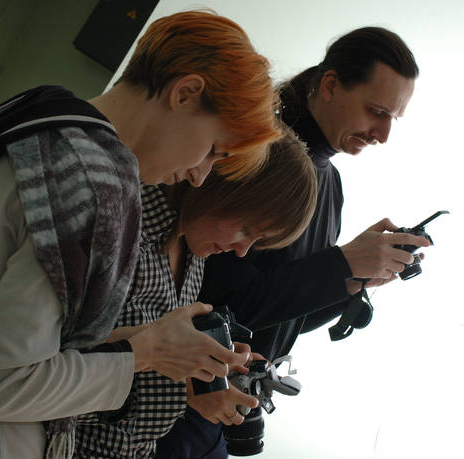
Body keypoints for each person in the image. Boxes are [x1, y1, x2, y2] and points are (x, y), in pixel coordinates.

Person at [0, 10, 281, 459]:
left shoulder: (41, 131)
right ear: (185, 93)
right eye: (213, 150)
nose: (200, 175)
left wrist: (152, 342)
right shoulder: (93, 182)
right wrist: (146, 352)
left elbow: (1, 337)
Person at [157, 26, 432, 458]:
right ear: (330, 85)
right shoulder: (258, 151)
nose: (383, 134)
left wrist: (350, 283)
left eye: (391, 119)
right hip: (177, 391)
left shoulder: (331, 184)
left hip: (227, 401)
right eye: (376, 111)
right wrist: (341, 264)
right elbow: (215, 301)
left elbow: (287, 322)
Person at [73, 128, 318, 458]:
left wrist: (205, 368)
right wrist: (182, 383)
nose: (242, 251)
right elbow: (41, 376)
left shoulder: (192, 253)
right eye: (247, 230)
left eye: (258, 242)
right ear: (223, 187)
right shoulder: (122, 229)